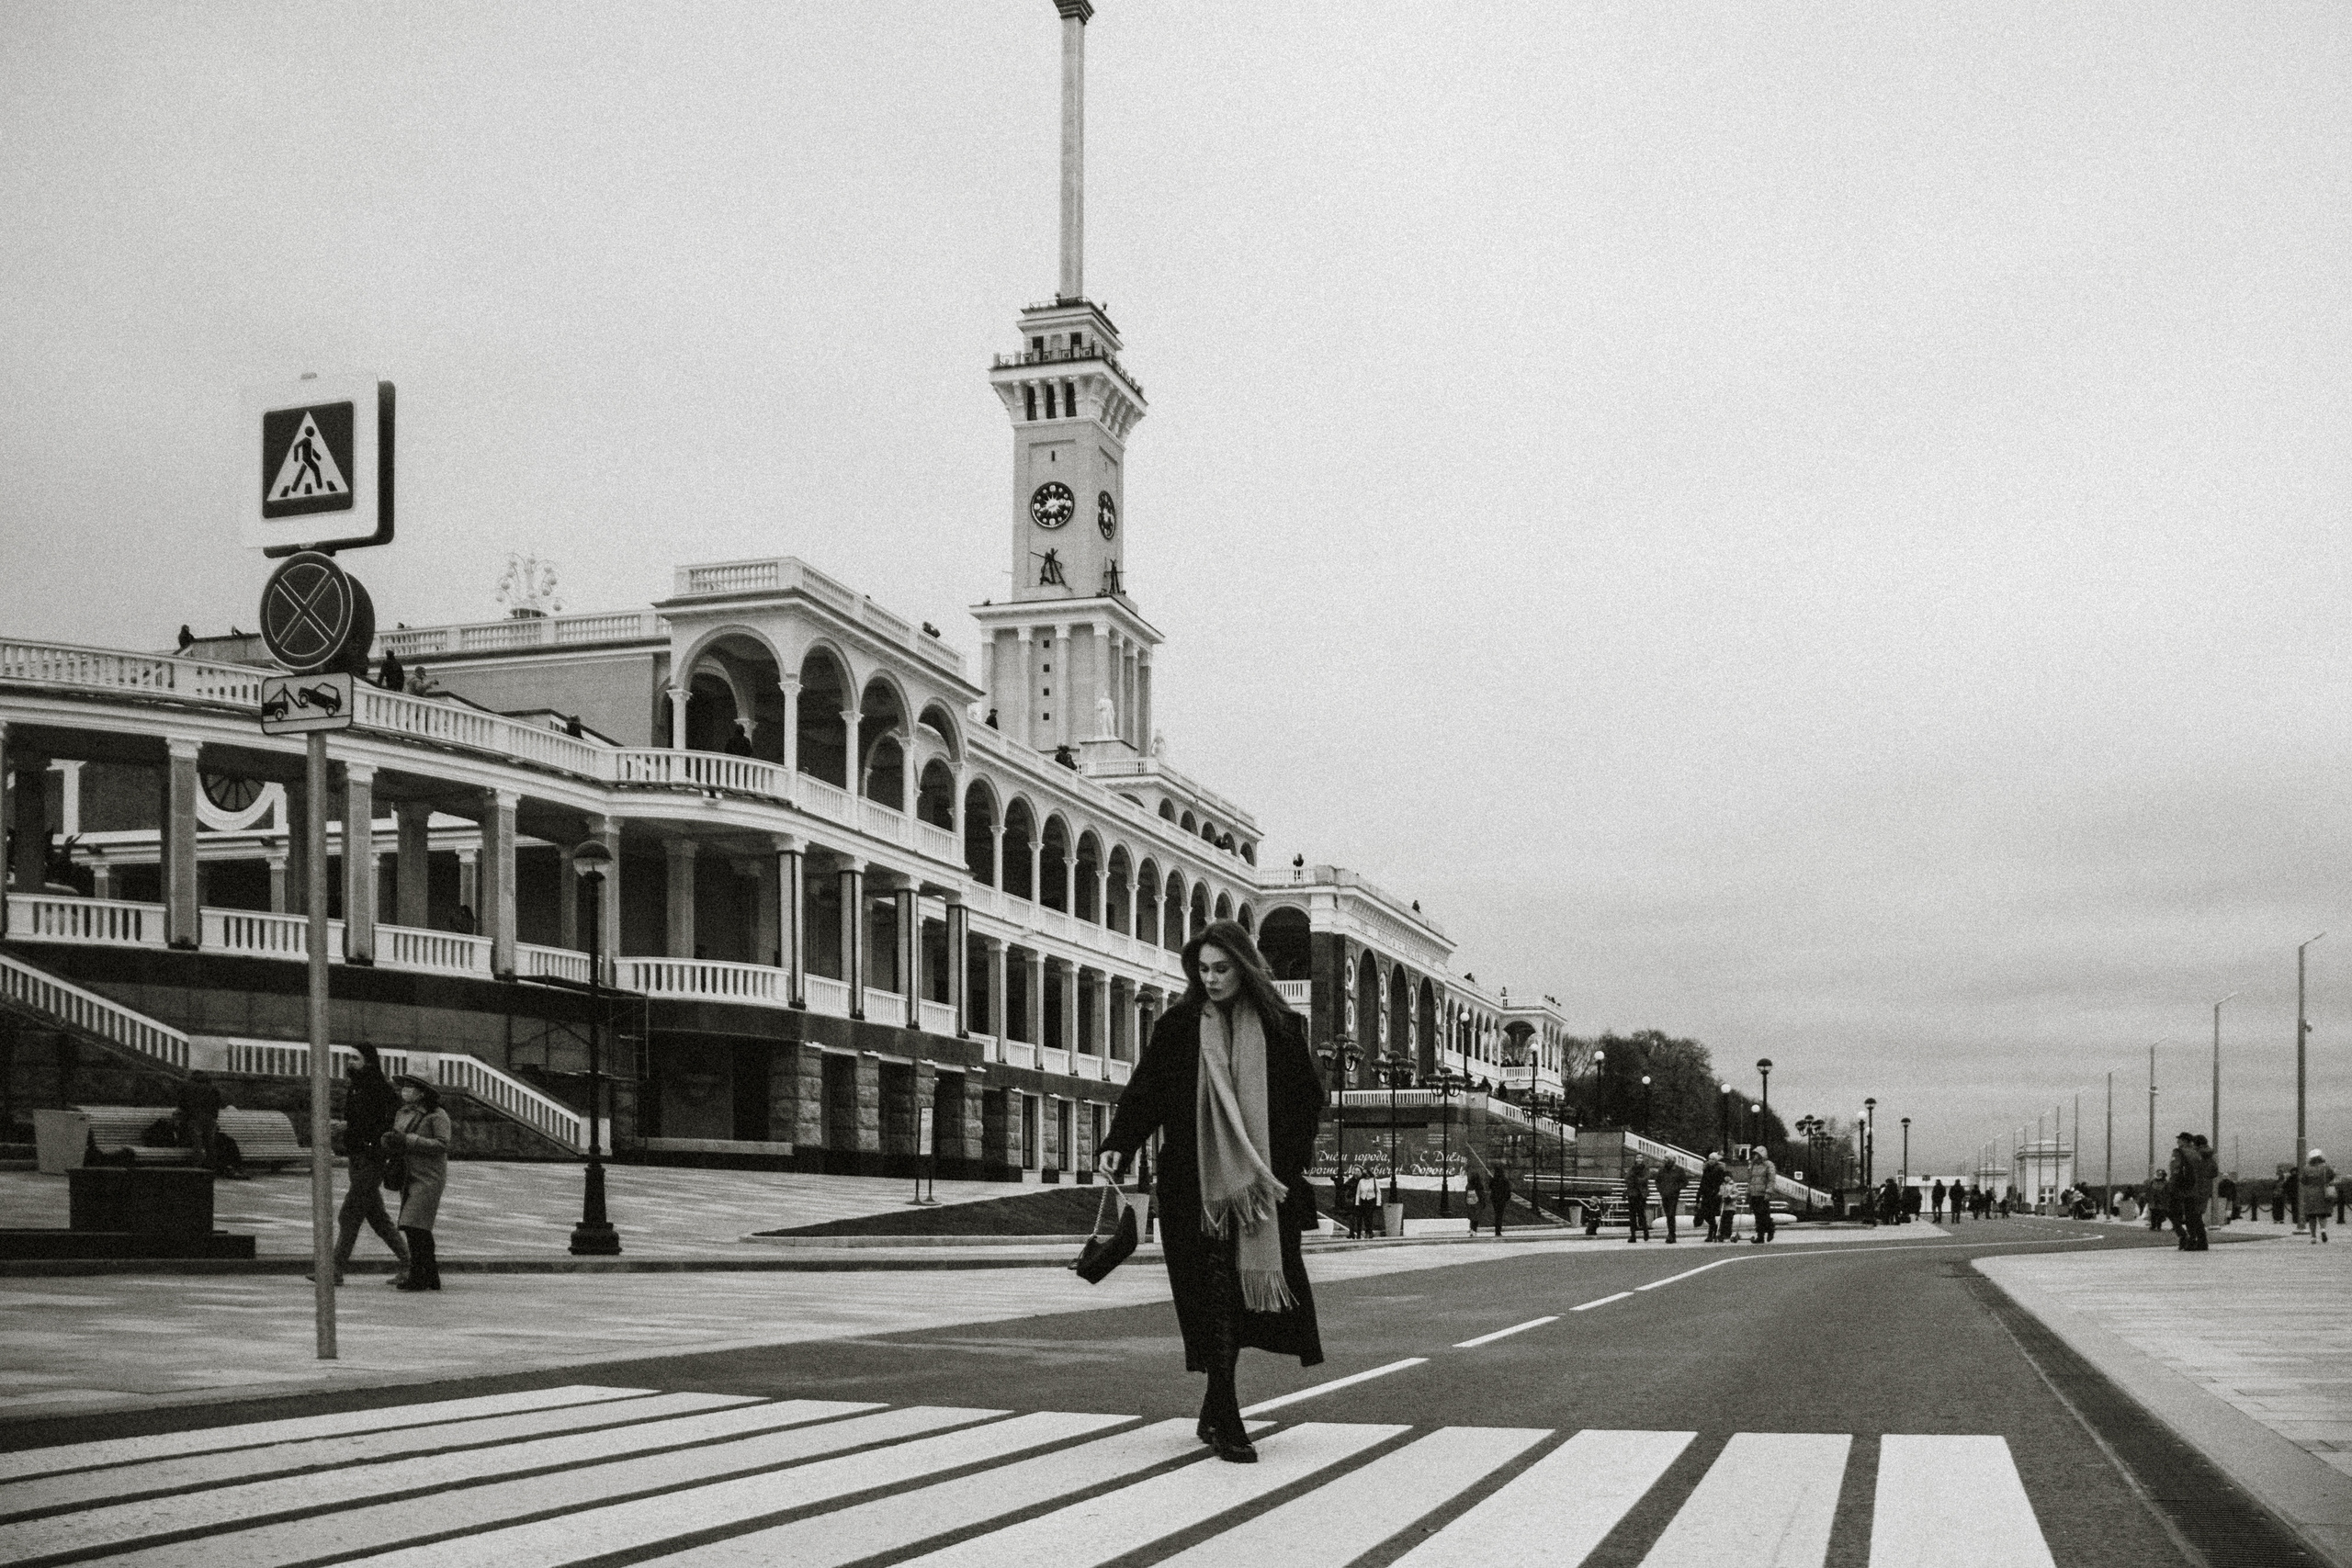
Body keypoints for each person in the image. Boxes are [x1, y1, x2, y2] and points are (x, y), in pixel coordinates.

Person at [1099, 921, 1324, 1465]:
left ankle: (1217, 1410)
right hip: (1192, 1188)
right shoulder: (1179, 1026)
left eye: (1223, 968)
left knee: (1233, 1301)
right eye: (1203, 969)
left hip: (1260, 1190)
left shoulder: (1281, 1028)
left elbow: (1306, 1105)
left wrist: (1280, 1169)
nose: (1213, 978)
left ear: (1244, 967)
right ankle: (1226, 1416)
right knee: (1212, 1297)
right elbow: (1147, 1088)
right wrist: (1120, 1142)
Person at [321, 1044, 411, 1285]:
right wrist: (345, 1126)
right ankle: (409, 1263)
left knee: (349, 1213)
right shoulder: (356, 1088)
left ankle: (335, 1269)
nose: (350, 1062)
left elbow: (388, 1122)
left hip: (372, 1159)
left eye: (355, 1058)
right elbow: (359, 1120)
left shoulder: (379, 1089)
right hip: (357, 1158)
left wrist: (356, 1131)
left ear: (368, 1062)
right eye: (349, 1058)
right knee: (377, 1217)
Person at [384, 1074, 452, 1291]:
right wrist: (389, 1141)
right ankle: (430, 1275)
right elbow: (397, 1138)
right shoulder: (402, 1113)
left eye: (410, 1087)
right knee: (418, 1227)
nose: (405, 1091)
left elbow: (442, 1144)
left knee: (415, 1225)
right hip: (408, 1173)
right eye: (403, 1087)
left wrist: (409, 1140)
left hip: (429, 1176)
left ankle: (419, 1275)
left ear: (422, 1092)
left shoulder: (437, 1115)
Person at [175, 1070, 222, 1171]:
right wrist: (214, 1117)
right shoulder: (213, 1088)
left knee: (197, 1143)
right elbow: (217, 1104)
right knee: (210, 1143)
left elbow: (182, 1103)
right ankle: (211, 1166)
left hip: (195, 1118)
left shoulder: (187, 1087)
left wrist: (186, 1115)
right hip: (210, 1118)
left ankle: (197, 1167)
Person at [2168, 1133, 2205, 1252]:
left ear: (2184, 1141)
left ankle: (2184, 1237)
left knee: (2172, 1212)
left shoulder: (2178, 1152)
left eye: (2179, 1139)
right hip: (2195, 1188)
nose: (2177, 1141)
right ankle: (2195, 1240)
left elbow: (2175, 1170)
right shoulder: (2196, 1153)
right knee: (2192, 1215)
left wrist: (2172, 1186)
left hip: (2181, 1188)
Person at [2301, 1150, 2336, 1244]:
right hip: (2322, 1193)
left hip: (2310, 1194)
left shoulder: (2306, 1168)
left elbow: (2303, 1181)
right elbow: (2332, 1176)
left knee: (2312, 1216)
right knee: (2322, 1214)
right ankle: (2323, 1230)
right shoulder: (2325, 1167)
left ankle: (2313, 1236)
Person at [1653, 1156, 1687, 1244]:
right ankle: (1671, 1233)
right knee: (1668, 1215)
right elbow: (1657, 1181)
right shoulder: (1662, 1170)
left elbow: (1685, 1182)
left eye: (1667, 1158)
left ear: (1672, 1160)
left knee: (1671, 1214)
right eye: (1665, 1158)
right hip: (1664, 1195)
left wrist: (1676, 1188)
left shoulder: (1679, 1170)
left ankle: (1671, 1234)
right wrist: (1661, 1190)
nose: (1665, 1160)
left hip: (1674, 1195)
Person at [1696, 1151, 1729, 1242]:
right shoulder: (1706, 1170)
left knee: (1711, 1214)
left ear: (1716, 1160)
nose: (1711, 1161)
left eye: (1713, 1159)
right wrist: (1698, 1196)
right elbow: (1702, 1183)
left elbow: (1721, 1182)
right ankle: (1714, 1227)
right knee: (1705, 1214)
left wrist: (1717, 1192)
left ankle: (1711, 1234)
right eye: (1710, 1159)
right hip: (1706, 1194)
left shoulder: (1720, 1170)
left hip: (1714, 1195)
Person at [1746, 1149, 1777, 1243]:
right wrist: (1748, 1192)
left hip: (1763, 1194)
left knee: (1764, 1214)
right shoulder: (1753, 1165)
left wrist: (1768, 1192)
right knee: (1757, 1216)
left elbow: (1771, 1180)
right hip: (1754, 1193)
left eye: (1756, 1154)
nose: (1754, 1156)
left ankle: (1770, 1229)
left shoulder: (1768, 1164)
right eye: (1754, 1154)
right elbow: (1750, 1180)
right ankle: (1760, 1236)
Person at [1623, 1156, 1652, 1243]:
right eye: (1637, 1158)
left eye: (1641, 1158)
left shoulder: (1645, 1169)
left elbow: (1645, 1179)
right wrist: (1636, 1181)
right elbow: (1627, 1178)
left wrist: (1636, 1180)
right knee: (1632, 1215)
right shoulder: (1632, 1168)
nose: (1639, 1159)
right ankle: (1633, 1235)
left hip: (1641, 1194)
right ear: (1635, 1159)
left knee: (1641, 1214)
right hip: (1632, 1194)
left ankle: (1645, 1231)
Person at [1487, 1166, 1512, 1238]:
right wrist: (1506, 1198)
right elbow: (1508, 1191)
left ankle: (1497, 1230)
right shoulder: (1504, 1180)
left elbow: (1490, 1186)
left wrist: (1491, 1178)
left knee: (1497, 1214)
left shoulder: (1494, 1180)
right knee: (1500, 1215)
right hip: (1502, 1200)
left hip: (1495, 1200)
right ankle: (1498, 1230)